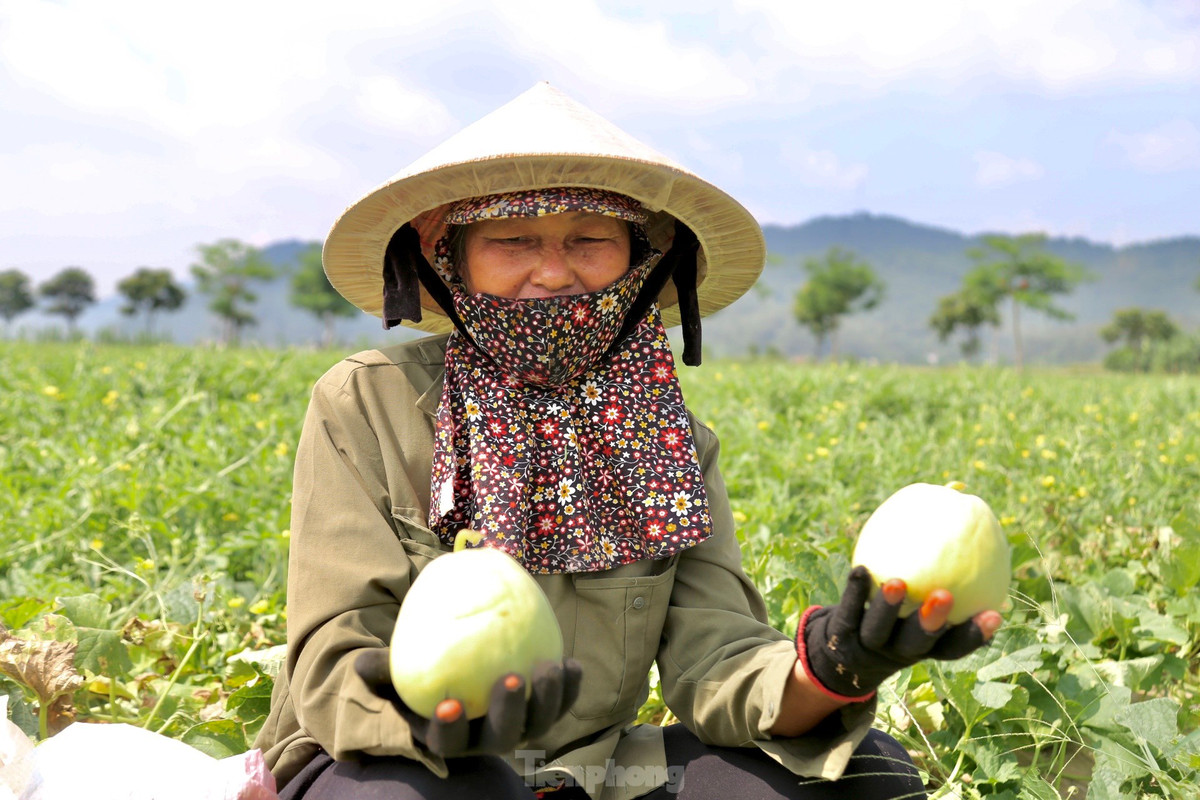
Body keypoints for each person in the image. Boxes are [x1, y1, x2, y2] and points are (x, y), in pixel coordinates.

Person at [253, 82, 1004, 800]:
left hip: (603, 778)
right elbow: (333, 659)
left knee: (867, 776)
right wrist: (436, 720)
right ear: (447, 257)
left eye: (590, 239)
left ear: (639, 259)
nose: (554, 272)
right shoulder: (366, 402)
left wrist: (838, 665)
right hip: (396, 765)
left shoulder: (668, 437)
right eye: (512, 240)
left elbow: (718, 661)